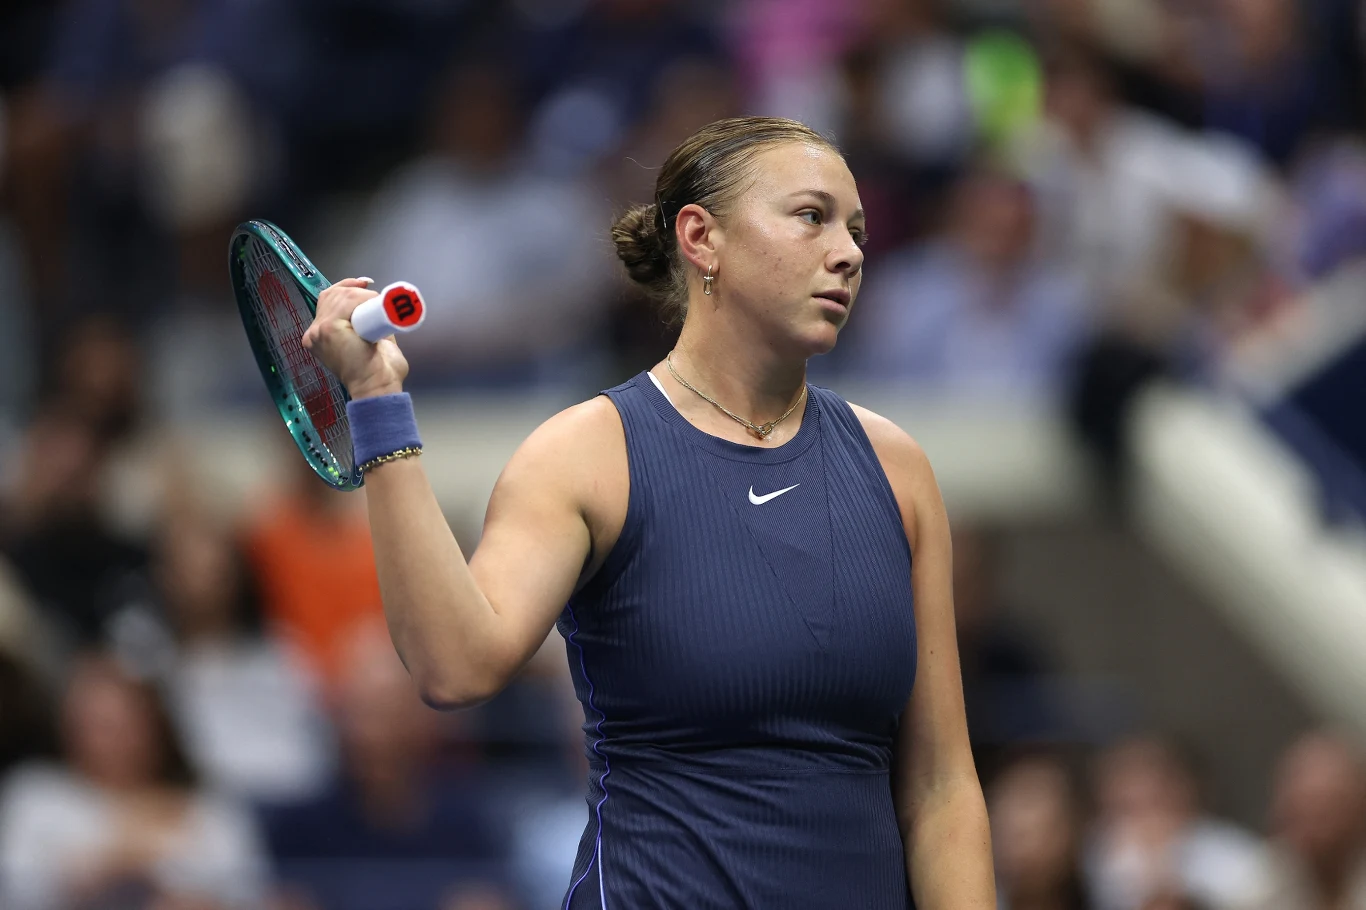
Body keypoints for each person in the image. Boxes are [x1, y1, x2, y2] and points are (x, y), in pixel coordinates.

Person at [302, 116, 994, 908]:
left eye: (857, 230)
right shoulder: (585, 454)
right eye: (812, 216)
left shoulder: (897, 470)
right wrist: (378, 401)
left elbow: (942, 786)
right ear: (702, 238)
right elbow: (453, 665)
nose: (849, 252)